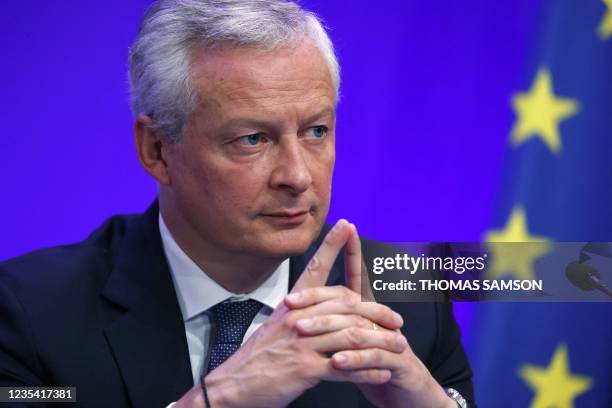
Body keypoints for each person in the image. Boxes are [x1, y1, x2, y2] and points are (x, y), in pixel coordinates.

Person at [0, 1, 474, 407]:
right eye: (252, 139)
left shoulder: (410, 298)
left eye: (316, 131)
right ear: (157, 151)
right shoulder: (30, 315)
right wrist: (221, 398)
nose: (297, 176)